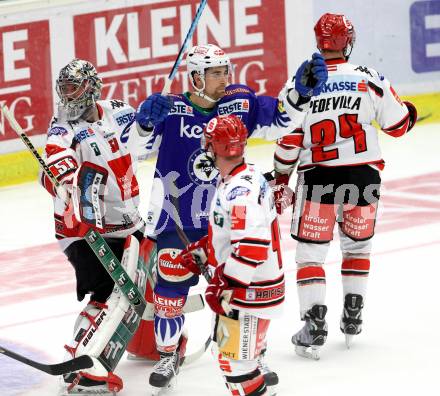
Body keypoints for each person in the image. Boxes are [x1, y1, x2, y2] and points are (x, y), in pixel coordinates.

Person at [130, 43, 328, 391]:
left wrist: (299, 92)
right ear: (195, 77)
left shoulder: (239, 105)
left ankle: (252, 353)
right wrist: (144, 124)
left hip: (226, 219)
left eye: (226, 71)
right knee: (169, 293)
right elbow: (133, 151)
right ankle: (167, 354)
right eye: (215, 73)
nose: (224, 78)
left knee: (242, 290)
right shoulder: (171, 109)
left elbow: (281, 120)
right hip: (178, 218)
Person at [268, 13, 417, 359]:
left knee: (310, 256)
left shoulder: (300, 84)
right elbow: (397, 125)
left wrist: (279, 179)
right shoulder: (369, 77)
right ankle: (353, 313)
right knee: (357, 249)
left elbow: (288, 141)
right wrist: (408, 111)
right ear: (347, 42)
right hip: (364, 179)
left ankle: (314, 322)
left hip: (319, 179)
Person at [40, 59, 150, 394]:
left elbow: (144, 142)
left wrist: (151, 120)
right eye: (63, 88)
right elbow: (56, 154)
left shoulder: (118, 110)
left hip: (126, 221)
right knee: (107, 291)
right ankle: (81, 362)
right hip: (83, 228)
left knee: (146, 282)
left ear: (91, 88)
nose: (66, 95)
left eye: (72, 87)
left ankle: (149, 345)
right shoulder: (63, 125)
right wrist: (64, 178)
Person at [178, 114, 284, 396]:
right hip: (252, 286)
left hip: (248, 292)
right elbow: (237, 234)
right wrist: (206, 250)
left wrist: (226, 287)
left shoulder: (239, 191)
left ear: (214, 148)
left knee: (236, 366)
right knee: (231, 359)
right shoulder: (244, 178)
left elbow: (251, 246)